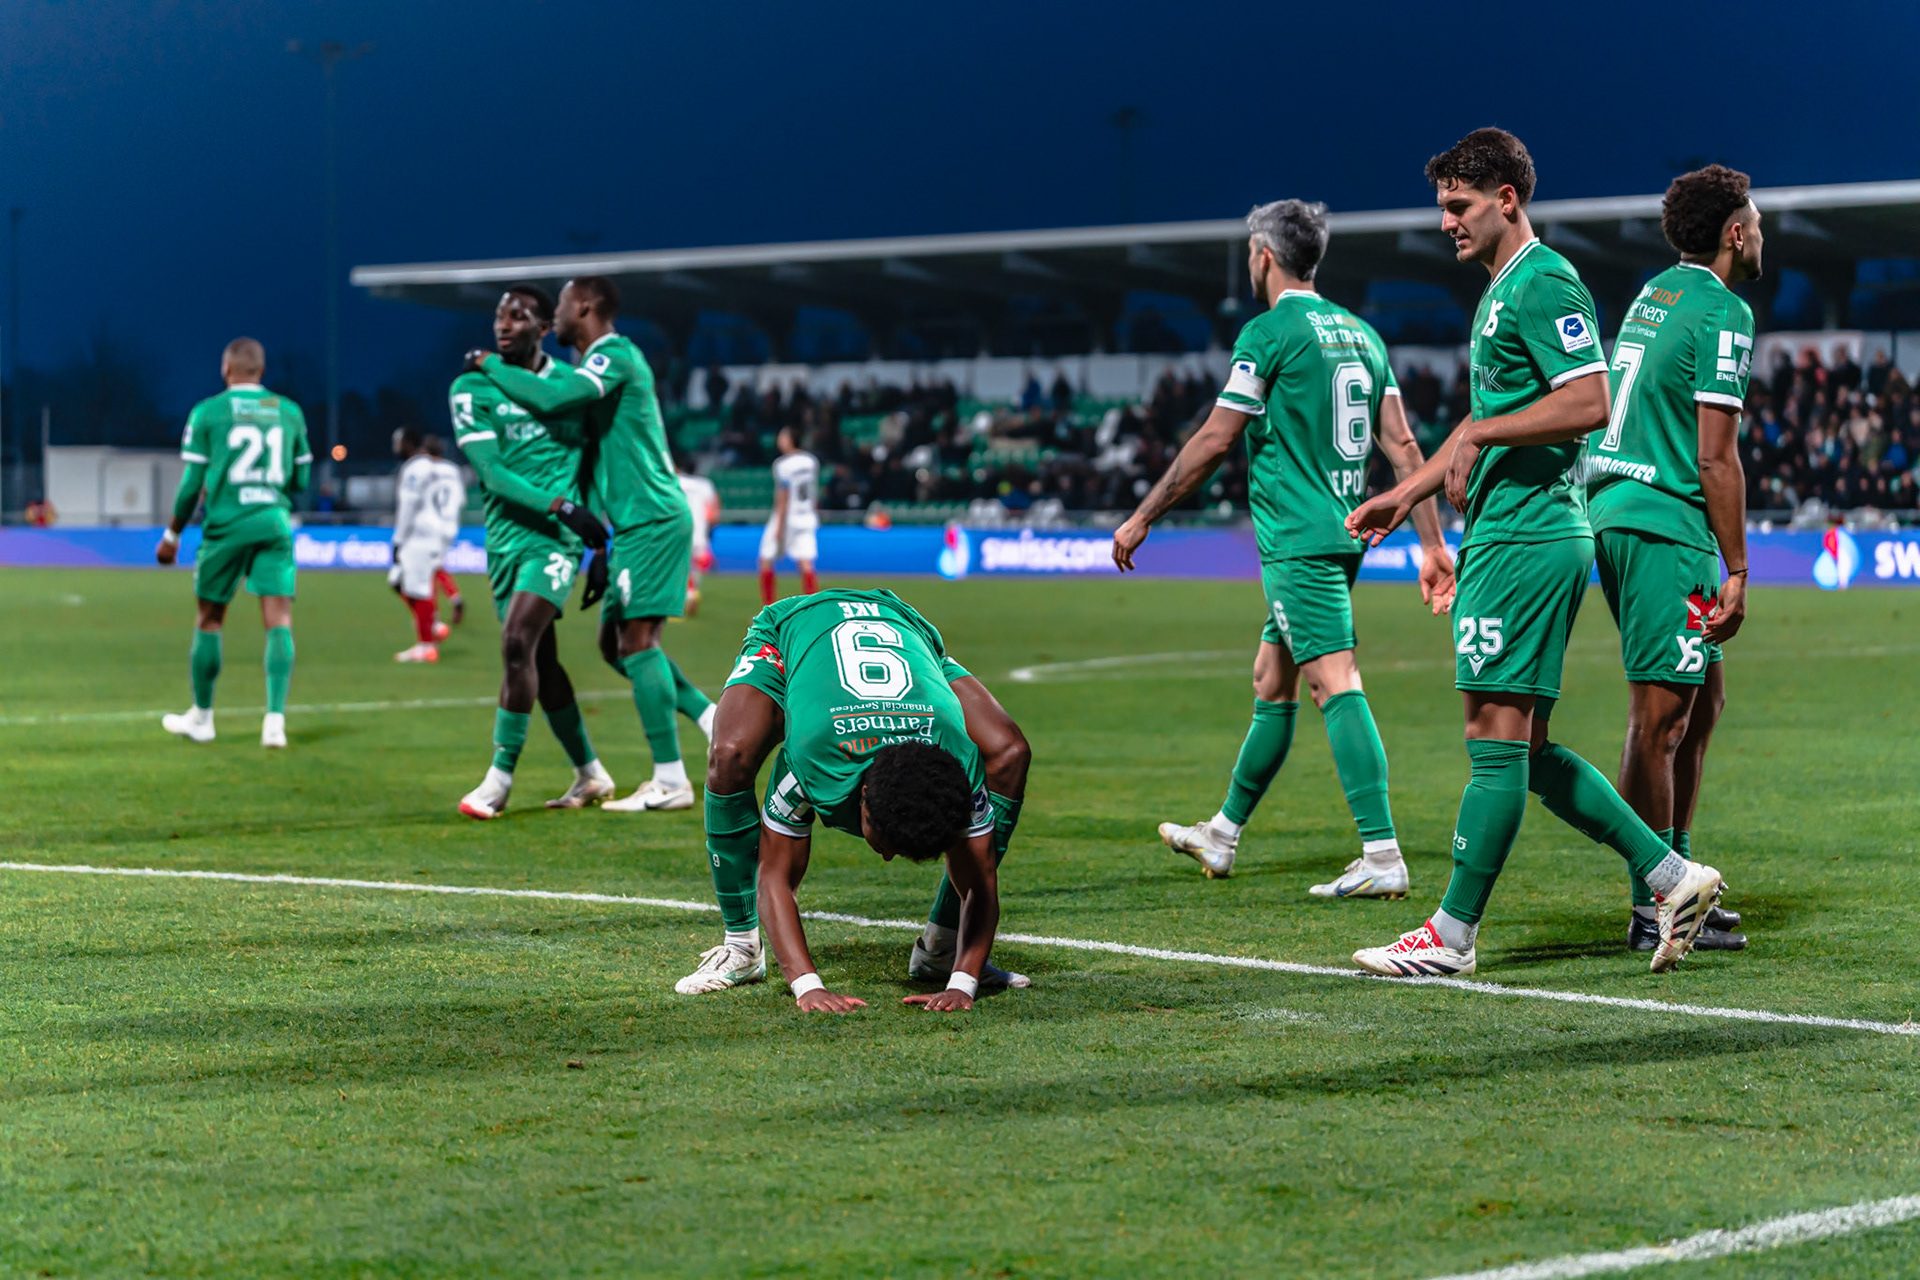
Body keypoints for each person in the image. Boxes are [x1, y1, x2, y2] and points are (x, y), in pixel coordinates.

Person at [1344, 128, 1724, 977]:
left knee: (1492, 737)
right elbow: (1489, 419)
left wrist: (1482, 435)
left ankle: (1451, 936)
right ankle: (1671, 877)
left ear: (1506, 198)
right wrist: (1408, 494)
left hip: (1527, 532)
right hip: (1512, 530)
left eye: (1459, 205)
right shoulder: (1502, 291)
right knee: (1529, 750)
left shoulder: (1543, 280)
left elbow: (1590, 399)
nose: (1447, 222)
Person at [1112, 200, 1455, 895]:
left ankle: (1382, 855)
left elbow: (1217, 437)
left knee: (1336, 683)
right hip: (1343, 534)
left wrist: (1144, 514)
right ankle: (1221, 835)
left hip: (1299, 541)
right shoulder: (1362, 334)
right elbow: (1403, 445)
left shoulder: (1268, 333)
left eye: (1250, 250)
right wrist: (1433, 544)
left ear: (1264, 256)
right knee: (1272, 681)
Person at [673, 588, 1031, 1009]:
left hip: (900, 624)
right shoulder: (814, 755)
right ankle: (742, 946)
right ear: (862, 795)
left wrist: (963, 984)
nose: (887, 857)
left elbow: (980, 880)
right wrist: (807, 985)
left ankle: (945, 949)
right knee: (729, 753)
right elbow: (774, 876)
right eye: (886, 842)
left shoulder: (957, 759)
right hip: (795, 629)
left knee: (1009, 752)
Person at [1587, 165, 1761, 953]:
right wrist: (1739, 569)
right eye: (1756, 223)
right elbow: (1716, 457)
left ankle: (1678, 875)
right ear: (1734, 233)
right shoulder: (1724, 310)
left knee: (1702, 703)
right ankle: (1651, 902)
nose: (1761, 236)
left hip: (1620, 510)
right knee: (1658, 720)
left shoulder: (1655, 293)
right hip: (1664, 524)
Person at [472, 276, 714, 813]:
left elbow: (553, 397)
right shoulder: (594, 366)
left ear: (582, 306)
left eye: (560, 305)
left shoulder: (614, 355)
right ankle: (712, 718)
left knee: (638, 643)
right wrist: (601, 546)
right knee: (612, 644)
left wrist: (489, 365)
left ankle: (670, 779)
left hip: (651, 516)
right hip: (629, 525)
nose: (556, 316)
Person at [450, 286, 618, 819]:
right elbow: (493, 474)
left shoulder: (570, 385)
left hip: (554, 541)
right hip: (506, 540)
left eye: (519, 316)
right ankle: (590, 772)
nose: (504, 324)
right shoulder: (470, 387)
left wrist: (596, 537)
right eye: (500, 315)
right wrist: (562, 506)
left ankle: (499, 780)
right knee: (540, 660)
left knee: (517, 639)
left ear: (545, 327)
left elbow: (591, 466)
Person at [156, 337, 310, 748]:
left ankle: (202, 719)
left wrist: (172, 534)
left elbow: (191, 485)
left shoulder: (209, 412)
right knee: (278, 620)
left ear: (226, 369)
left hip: (227, 525)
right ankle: (274, 723)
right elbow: (301, 480)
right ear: (262, 370)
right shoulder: (288, 411)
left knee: (210, 619)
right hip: (274, 523)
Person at [389, 427, 464, 663]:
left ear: (408, 443)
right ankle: (433, 627)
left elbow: (409, 505)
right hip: (435, 530)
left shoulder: (415, 468)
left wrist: (398, 539)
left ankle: (426, 645)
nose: (395, 447)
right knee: (399, 581)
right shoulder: (440, 468)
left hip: (418, 534)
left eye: (398, 442)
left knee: (418, 589)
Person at [758, 426, 821, 604]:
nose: (779, 440)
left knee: (765, 559)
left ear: (789, 440)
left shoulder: (782, 464)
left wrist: (779, 526)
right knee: (806, 564)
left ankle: (768, 609)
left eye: (782, 436)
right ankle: (812, 608)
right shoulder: (811, 461)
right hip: (807, 516)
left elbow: (784, 494)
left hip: (787, 517)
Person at [676, 454, 720, 617]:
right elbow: (714, 508)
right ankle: (694, 591)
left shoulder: (677, 482)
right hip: (700, 530)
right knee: (696, 565)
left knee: (682, 565)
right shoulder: (705, 484)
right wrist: (711, 525)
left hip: (682, 528)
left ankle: (690, 593)